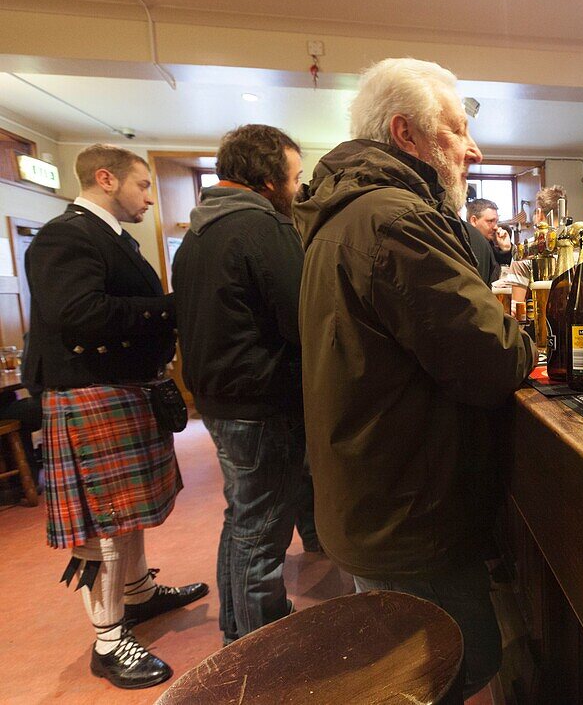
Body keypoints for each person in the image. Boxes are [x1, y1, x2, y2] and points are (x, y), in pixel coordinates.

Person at [295, 57, 535, 697]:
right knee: (446, 673)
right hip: (410, 512)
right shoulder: (395, 219)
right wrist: (530, 335)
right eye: (456, 130)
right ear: (407, 134)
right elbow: (494, 359)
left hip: (376, 493)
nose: (473, 148)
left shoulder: (345, 211)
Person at [23, 144, 207, 690]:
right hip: (89, 392)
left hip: (119, 389)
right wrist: (171, 309)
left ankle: (138, 597)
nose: (149, 198)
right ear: (106, 179)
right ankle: (108, 643)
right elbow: (78, 316)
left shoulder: (107, 237)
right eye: (142, 186)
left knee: (123, 515)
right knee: (103, 524)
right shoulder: (67, 235)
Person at [172, 125, 310, 645]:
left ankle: (240, 623)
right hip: (260, 399)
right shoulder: (262, 226)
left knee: (243, 515)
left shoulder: (200, 230)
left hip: (217, 399)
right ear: (269, 178)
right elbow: (300, 319)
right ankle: (258, 645)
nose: (298, 189)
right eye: (295, 178)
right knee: (262, 524)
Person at [468, 197, 512, 267]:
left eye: (496, 221)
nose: (496, 227)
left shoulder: (489, 244)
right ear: (474, 221)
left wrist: (505, 249)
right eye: (490, 221)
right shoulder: (467, 247)